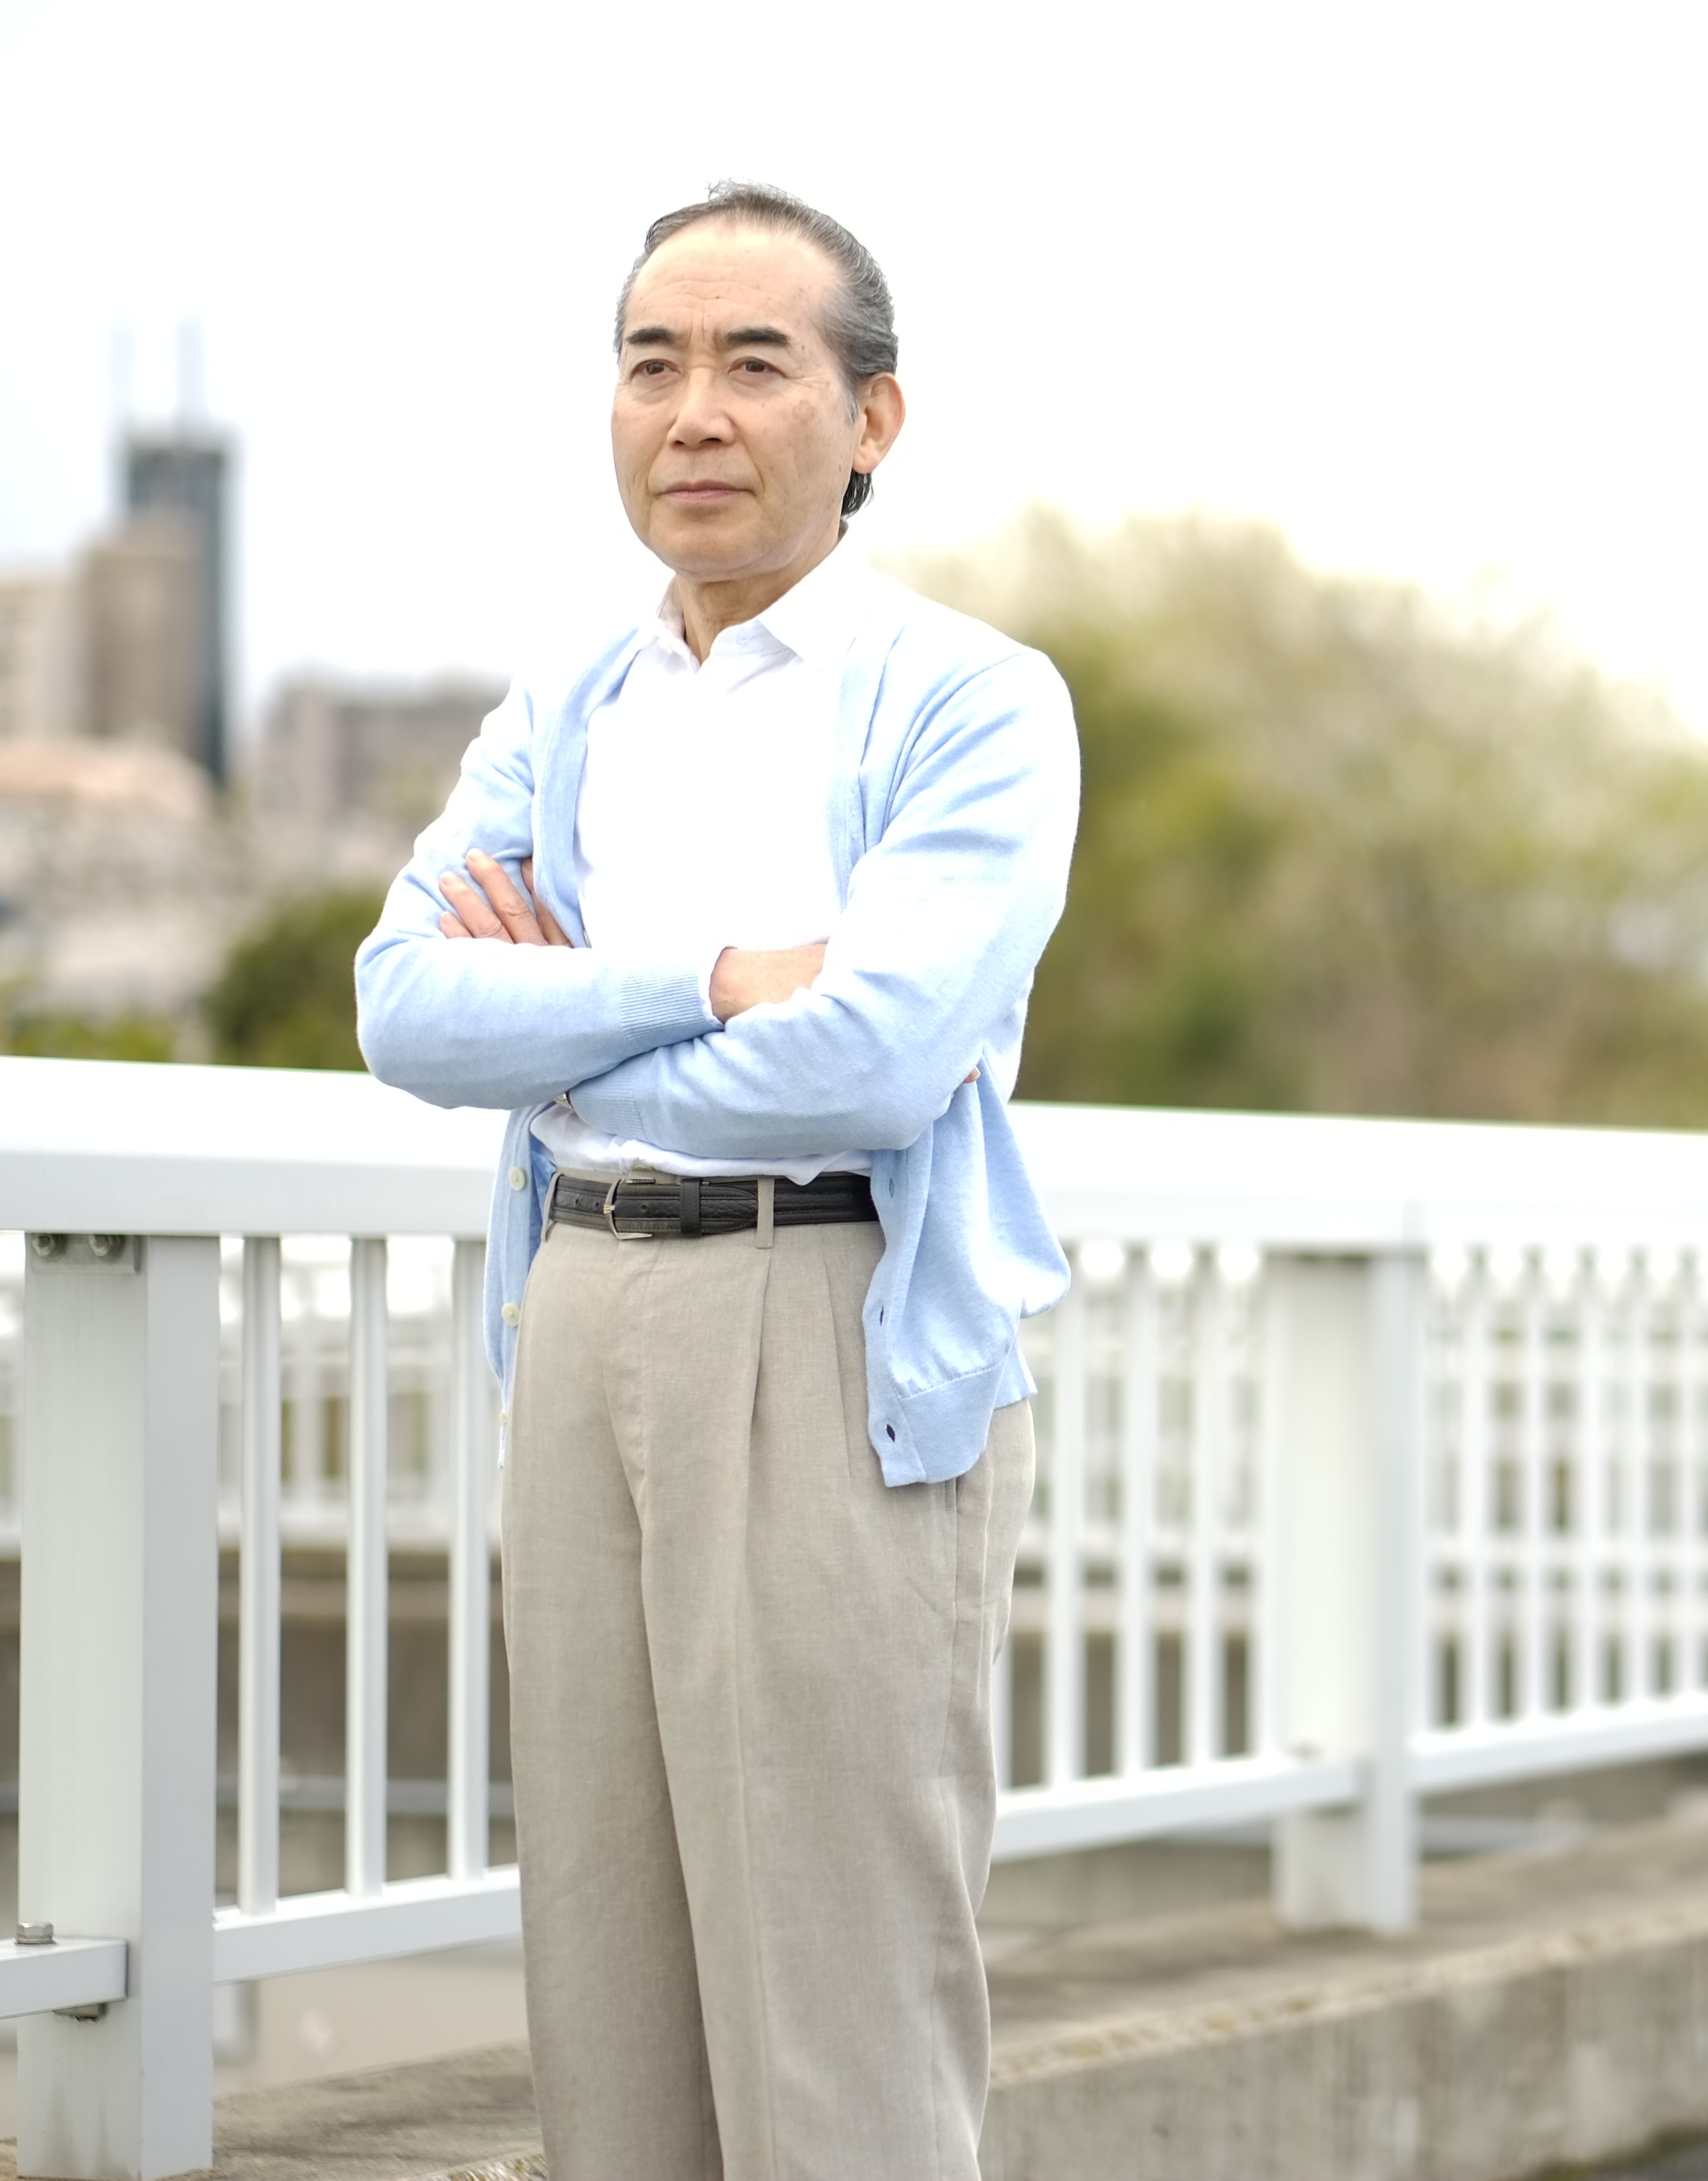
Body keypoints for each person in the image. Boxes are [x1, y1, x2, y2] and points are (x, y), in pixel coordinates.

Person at [355, 180, 1079, 2179]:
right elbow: (408, 1010)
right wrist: (712, 977)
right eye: (649, 362)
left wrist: (562, 1016)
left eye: (755, 363)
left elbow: (874, 1058)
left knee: (832, 1999)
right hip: (578, 1304)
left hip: (825, 1313)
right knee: (606, 1981)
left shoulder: (968, 698)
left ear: (871, 420)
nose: (691, 411)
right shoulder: (566, 705)